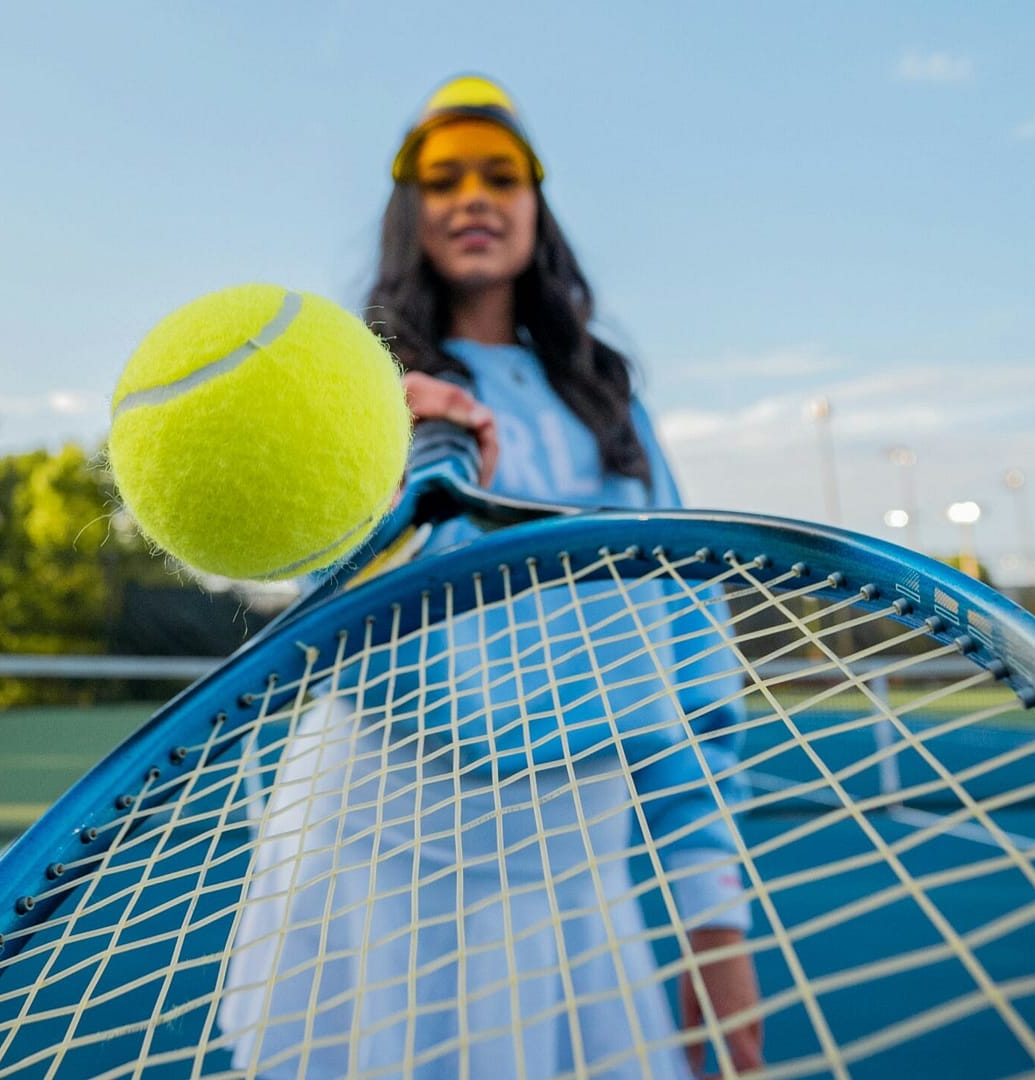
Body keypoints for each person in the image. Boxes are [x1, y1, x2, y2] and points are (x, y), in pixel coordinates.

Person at [219, 75, 762, 1079]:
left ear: (536, 208)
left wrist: (713, 918)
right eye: (445, 177)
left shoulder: (611, 409)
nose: (474, 196)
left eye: (500, 175)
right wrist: (376, 454)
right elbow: (312, 601)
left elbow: (690, 663)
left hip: (571, 853)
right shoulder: (358, 389)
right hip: (373, 842)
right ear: (409, 210)